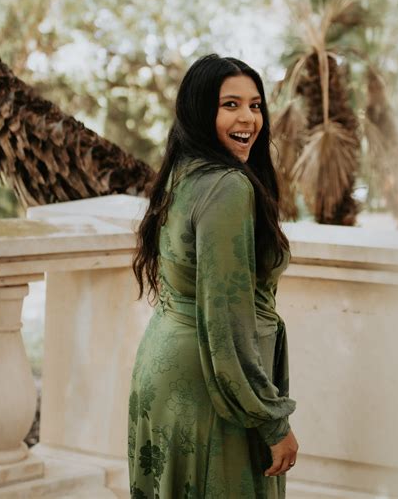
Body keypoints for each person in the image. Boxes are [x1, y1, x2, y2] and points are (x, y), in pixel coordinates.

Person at [129, 54, 299, 498]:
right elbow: (225, 320)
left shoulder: (183, 172)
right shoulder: (227, 187)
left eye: (255, 105)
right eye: (230, 105)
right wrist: (272, 421)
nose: (248, 118)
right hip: (210, 387)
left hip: (165, 367)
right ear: (200, 112)